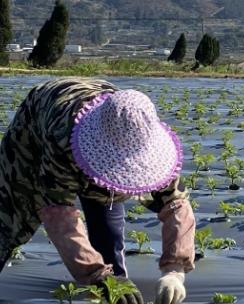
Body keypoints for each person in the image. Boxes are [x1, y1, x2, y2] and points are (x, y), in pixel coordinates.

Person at [0, 78, 195, 304]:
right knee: (8, 219)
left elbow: (177, 205)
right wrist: (96, 274)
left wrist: (174, 271)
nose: (118, 173)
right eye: (114, 167)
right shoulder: (61, 141)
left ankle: (114, 290)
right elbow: (58, 214)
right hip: (37, 125)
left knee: (108, 232)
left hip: (101, 117)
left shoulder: (147, 140)